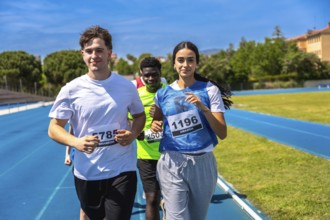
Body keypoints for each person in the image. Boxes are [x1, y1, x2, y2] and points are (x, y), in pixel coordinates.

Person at [48, 25, 146, 220]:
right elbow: (54, 128)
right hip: (87, 173)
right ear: (82, 54)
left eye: (99, 50)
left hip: (122, 169)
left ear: (109, 53)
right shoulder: (71, 89)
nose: (95, 55)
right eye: (89, 51)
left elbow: (139, 116)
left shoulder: (126, 87)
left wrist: (133, 134)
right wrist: (76, 142)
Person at [151, 41, 232, 220]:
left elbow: (222, 133)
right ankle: (169, 210)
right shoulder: (162, 94)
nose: (185, 65)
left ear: (196, 63)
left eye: (190, 60)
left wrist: (203, 107)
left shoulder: (209, 90)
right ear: (173, 63)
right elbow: (156, 125)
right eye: (180, 60)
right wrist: (154, 126)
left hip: (203, 164)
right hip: (172, 161)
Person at [130, 57, 166, 220]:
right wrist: (146, 133)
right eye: (147, 76)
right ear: (141, 75)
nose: (151, 79)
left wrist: (163, 119)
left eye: (154, 75)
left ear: (160, 73)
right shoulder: (136, 96)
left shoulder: (170, 92)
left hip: (171, 154)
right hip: (146, 157)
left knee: (174, 200)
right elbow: (133, 127)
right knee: (152, 199)